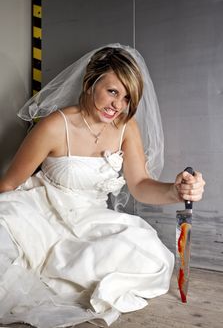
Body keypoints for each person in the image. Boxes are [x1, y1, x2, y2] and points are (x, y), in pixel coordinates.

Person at [0, 44, 205, 328]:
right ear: (89, 83)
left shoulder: (125, 127)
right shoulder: (54, 126)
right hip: (42, 213)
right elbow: (9, 183)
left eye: (127, 97)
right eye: (112, 91)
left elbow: (140, 185)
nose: (118, 105)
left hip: (90, 219)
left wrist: (176, 190)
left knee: (149, 253)